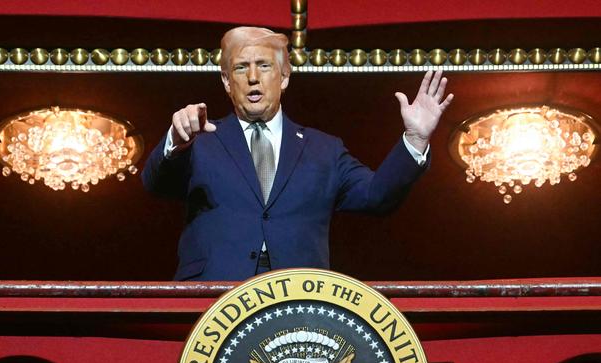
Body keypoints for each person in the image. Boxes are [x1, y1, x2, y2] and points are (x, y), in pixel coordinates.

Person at [142, 27, 453, 281]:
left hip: (298, 298)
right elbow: (155, 184)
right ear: (226, 81)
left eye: (264, 66)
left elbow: (377, 196)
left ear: (285, 77)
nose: (253, 77)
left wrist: (415, 138)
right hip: (215, 295)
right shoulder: (199, 138)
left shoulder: (324, 149)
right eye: (240, 67)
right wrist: (175, 140)